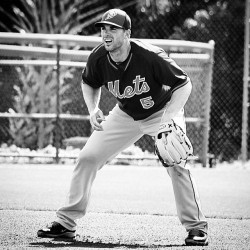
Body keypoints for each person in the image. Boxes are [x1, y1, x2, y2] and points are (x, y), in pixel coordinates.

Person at [37, 9, 208, 246]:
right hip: (125, 115)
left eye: (113, 29)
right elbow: (88, 82)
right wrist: (92, 109)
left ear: (127, 33)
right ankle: (66, 224)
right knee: (87, 157)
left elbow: (183, 84)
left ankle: (196, 228)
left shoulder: (150, 56)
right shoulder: (98, 57)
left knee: (176, 164)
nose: (106, 34)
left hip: (161, 111)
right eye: (103, 29)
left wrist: (168, 119)